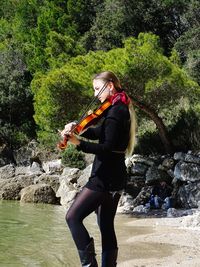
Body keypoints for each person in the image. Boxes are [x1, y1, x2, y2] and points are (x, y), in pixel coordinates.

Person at [61, 71, 136, 267]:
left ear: (110, 85)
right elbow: (100, 132)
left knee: (72, 217)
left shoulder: (115, 111)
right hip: (116, 176)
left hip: (104, 177)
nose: (95, 95)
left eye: (97, 89)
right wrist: (77, 129)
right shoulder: (118, 108)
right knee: (105, 226)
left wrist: (78, 143)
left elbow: (106, 148)